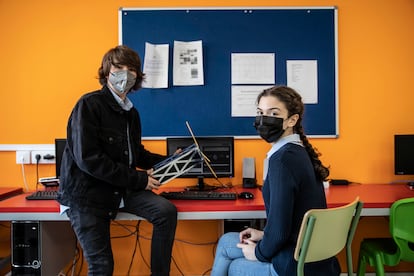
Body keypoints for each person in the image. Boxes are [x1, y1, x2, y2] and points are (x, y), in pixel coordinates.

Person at [57, 45, 177, 276]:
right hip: (87, 196)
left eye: (131, 69)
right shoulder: (89, 105)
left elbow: (136, 154)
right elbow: (89, 159)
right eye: (118, 67)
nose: (125, 73)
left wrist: (172, 159)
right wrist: (139, 179)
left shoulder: (131, 113)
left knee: (166, 212)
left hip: (119, 188)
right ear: (106, 71)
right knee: (102, 267)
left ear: (138, 76)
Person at [211, 85, 340, 276]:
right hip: (313, 256)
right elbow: (289, 222)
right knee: (227, 241)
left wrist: (259, 252)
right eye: (260, 112)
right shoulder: (297, 151)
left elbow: (280, 231)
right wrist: (263, 235)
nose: (264, 119)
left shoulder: (282, 160)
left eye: (273, 113)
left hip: (293, 263)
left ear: (292, 120)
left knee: (233, 266)